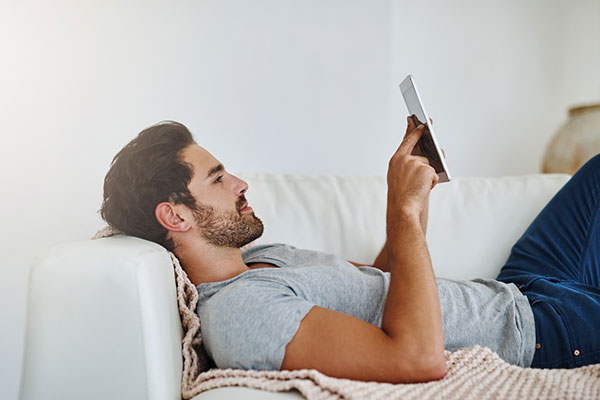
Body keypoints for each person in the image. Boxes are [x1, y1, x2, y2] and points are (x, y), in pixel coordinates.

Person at [100, 119, 600, 384]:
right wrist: (404, 215)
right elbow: (416, 358)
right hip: (544, 332)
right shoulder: (240, 311)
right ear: (176, 216)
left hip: (524, 287)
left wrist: (405, 199)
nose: (240, 183)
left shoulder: (264, 256)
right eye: (217, 178)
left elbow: (381, 282)